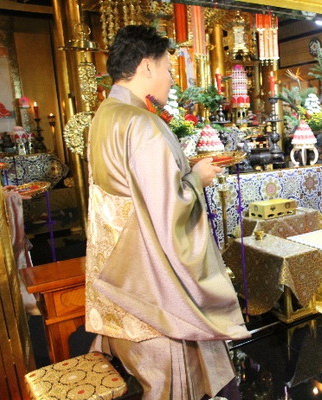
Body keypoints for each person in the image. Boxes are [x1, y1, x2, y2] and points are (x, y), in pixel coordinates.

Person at [85, 25, 249, 400]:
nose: (172, 80)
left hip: (119, 274)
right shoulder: (142, 123)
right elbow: (168, 209)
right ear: (147, 66)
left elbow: (132, 193)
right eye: (168, 69)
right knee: (173, 383)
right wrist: (197, 179)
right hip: (152, 282)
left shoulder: (105, 116)